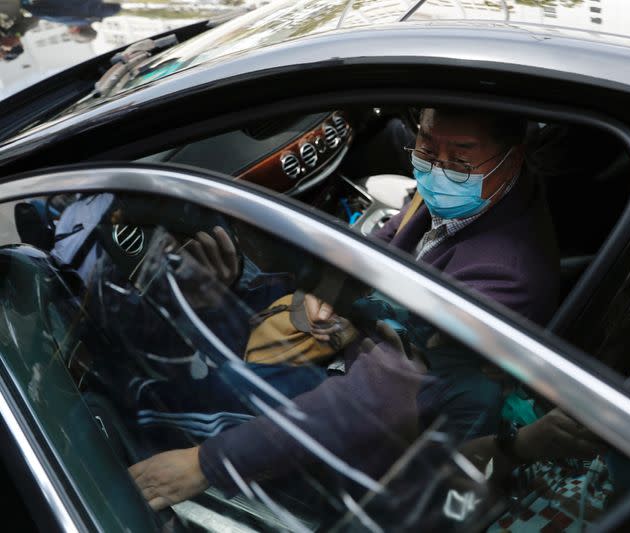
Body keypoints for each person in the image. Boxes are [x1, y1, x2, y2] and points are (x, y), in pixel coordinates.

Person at [127, 107, 575, 512]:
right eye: (426, 145)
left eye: (460, 154)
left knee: (171, 397)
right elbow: (376, 254)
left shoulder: (503, 278)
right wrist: (333, 289)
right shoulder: (463, 194)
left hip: (383, 435)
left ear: (511, 159)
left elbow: (378, 400)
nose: (437, 166)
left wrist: (207, 463)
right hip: (359, 350)